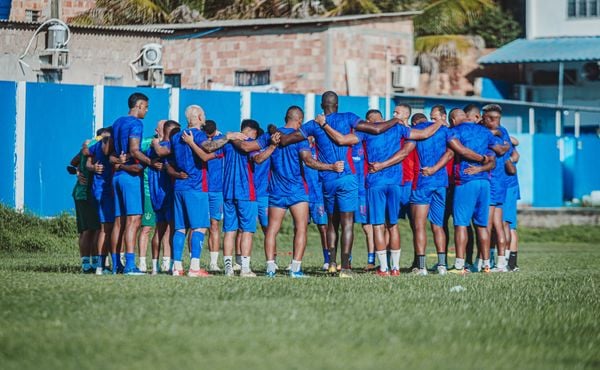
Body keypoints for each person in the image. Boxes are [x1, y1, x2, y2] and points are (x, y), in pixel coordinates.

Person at [279, 91, 402, 277]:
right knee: (347, 224)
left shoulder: (313, 124)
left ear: (322, 106)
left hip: (328, 179)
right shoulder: (349, 118)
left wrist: (274, 134)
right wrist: (396, 121)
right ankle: (345, 267)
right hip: (347, 178)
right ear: (337, 105)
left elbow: (287, 140)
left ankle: (331, 263)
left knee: (331, 223)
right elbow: (376, 129)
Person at [321, 109, 444, 277]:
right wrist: (439, 122)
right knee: (393, 225)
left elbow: (341, 140)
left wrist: (324, 124)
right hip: (395, 183)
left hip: (375, 183)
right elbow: (423, 134)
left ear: (368, 120)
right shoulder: (398, 128)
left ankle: (383, 268)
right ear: (382, 118)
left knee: (378, 226)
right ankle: (396, 268)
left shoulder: (364, 131)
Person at [261, 106, 342, 278]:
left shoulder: (273, 136)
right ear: (300, 121)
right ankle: (295, 269)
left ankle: (270, 268)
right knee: (301, 229)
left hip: (276, 189)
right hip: (297, 190)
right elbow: (309, 161)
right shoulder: (299, 137)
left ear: (285, 117)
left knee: (272, 230)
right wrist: (330, 167)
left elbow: (257, 153)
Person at [189, 119, 270, 277]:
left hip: (227, 192)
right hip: (247, 192)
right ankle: (245, 268)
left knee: (230, 230)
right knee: (247, 230)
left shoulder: (226, 143)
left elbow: (207, 154)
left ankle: (228, 268)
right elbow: (258, 158)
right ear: (251, 131)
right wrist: (272, 146)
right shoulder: (249, 143)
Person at [445, 108, 507, 274]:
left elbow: (461, 151)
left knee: (461, 224)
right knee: (482, 225)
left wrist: (477, 163)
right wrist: (481, 167)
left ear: (452, 119)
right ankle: (486, 265)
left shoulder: (454, 131)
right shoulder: (484, 132)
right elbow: (493, 161)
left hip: (466, 181)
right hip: (485, 182)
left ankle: (459, 265)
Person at [107, 92, 157, 275]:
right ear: (139, 105)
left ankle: (115, 266)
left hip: (117, 176)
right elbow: (135, 151)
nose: (147, 111)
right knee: (134, 220)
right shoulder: (136, 123)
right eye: (146, 107)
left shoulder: (118, 122)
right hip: (130, 178)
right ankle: (129, 265)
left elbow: (110, 154)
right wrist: (152, 163)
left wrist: (119, 162)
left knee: (118, 222)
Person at [408, 113, 454, 275]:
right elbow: (450, 153)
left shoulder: (415, 130)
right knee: (438, 225)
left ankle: (421, 267)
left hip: (422, 182)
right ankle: (442, 265)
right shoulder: (443, 130)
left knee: (419, 225)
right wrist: (436, 168)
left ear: (414, 121)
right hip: (441, 183)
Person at [481, 104, 512, 272]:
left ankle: (487, 263)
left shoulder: (494, 132)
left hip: (493, 182)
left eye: (496, 119)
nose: (494, 122)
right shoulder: (502, 132)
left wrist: (489, 135)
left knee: (487, 224)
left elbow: (500, 150)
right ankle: (500, 263)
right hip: (500, 182)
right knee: (497, 224)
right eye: (491, 118)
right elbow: (506, 147)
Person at [147, 120, 180, 274]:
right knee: (174, 230)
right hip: (168, 192)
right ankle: (174, 265)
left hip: (156, 193)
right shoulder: (169, 146)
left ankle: (154, 267)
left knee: (159, 231)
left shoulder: (153, 147)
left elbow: (147, 160)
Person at [86, 127, 114, 275]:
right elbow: (87, 161)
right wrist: (93, 167)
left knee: (105, 229)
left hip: (101, 190)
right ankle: (102, 266)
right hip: (104, 191)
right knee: (107, 229)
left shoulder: (94, 145)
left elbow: (87, 160)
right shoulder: (103, 145)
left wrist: (91, 167)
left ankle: (102, 265)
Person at [70, 137, 100, 273]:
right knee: (86, 230)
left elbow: (74, 161)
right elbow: (74, 162)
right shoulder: (89, 146)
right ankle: (85, 264)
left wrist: (77, 171)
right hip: (83, 194)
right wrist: (77, 171)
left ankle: (93, 262)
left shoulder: (93, 147)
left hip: (90, 195)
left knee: (94, 229)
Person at [304, 135, 330, 270]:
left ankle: (327, 259)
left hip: (318, 194)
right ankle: (297, 260)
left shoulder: (320, 149)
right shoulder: (299, 148)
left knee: (323, 227)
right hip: (302, 194)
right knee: (300, 227)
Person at [203, 120, 225, 272]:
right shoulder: (199, 139)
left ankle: (213, 263)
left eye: (210, 135)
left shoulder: (224, 140)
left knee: (214, 225)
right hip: (201, 188)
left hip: (217, 190)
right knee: (197, 226)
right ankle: (194, 261)